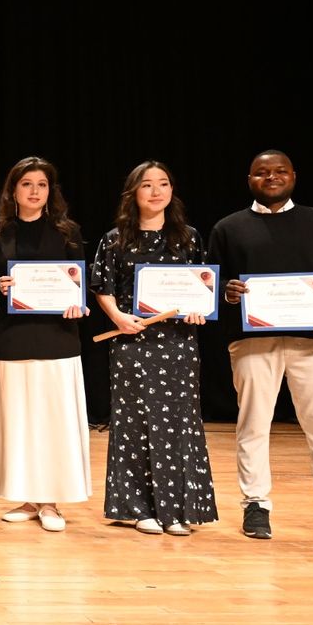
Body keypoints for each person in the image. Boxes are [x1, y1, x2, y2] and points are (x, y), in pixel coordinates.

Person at [208, 150, 313, 548]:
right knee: (253, 424)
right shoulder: (229, 228)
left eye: (279, 171)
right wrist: (227, 293)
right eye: (262, 173)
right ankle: (255, 504)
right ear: (250, 180)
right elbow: (211, 281)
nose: (272, 177)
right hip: (253, 341)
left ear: (293, 176)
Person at [90, 161, 217, 536]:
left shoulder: (189, 237)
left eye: (163, 184)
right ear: (134, 193)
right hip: (133, 342)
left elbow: (203, 284)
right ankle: (137, 507)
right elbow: (102, 286)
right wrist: (117, 317)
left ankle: (178, 509)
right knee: (133, 422)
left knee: (179, 421)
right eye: (147, 185)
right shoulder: (115, 239)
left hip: (179, 344)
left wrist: (199, 311)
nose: (156, 191)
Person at [0, 156, 91, 532]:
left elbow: (81, 288)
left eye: (41, 184)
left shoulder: (68, 233)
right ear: (13, 190)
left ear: (50, 191)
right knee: (20, 423)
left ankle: (51, 501)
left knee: (54, 422)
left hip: (58, 340)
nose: (34, 191)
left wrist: (77, 304)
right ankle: (28, 497)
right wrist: (0, 289)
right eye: (26, 184)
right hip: (13, 340)